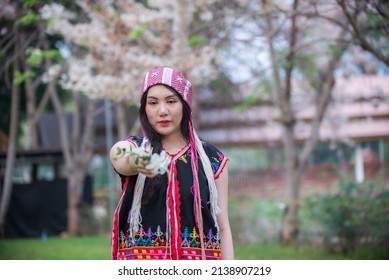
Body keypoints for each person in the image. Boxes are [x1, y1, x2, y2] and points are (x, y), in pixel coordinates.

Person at [110, 66, 234, 260]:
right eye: (153, 103)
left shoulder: (212, 160)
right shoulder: (136, 147)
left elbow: (223, 227)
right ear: (145, 109)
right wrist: (136, 161)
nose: (162, 111)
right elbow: (119, 155)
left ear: (185, 105)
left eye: (171, 101)